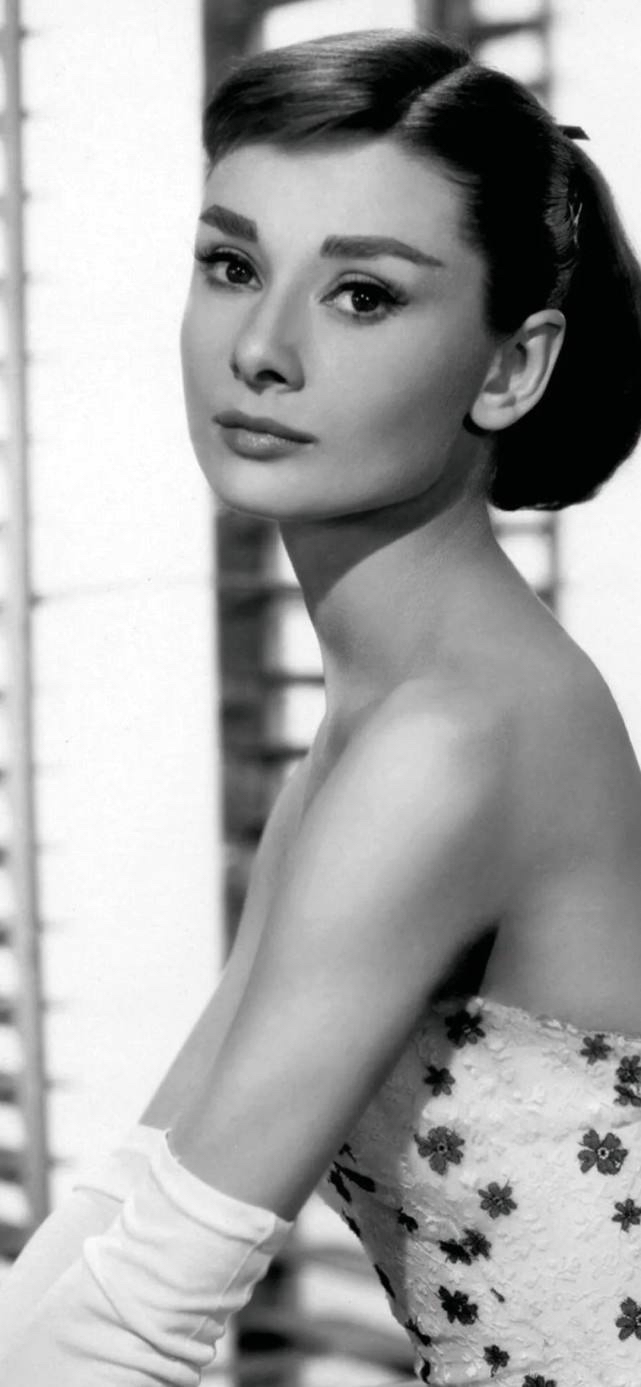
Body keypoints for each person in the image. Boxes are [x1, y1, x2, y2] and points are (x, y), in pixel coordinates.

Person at [2, 24, 641, 1386]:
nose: (262, 349)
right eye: (232, 266)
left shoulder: (458, 739)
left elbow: (131, 1323)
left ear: (509, 368)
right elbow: (130, 1204)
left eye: (362, 295)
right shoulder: (382, 720)